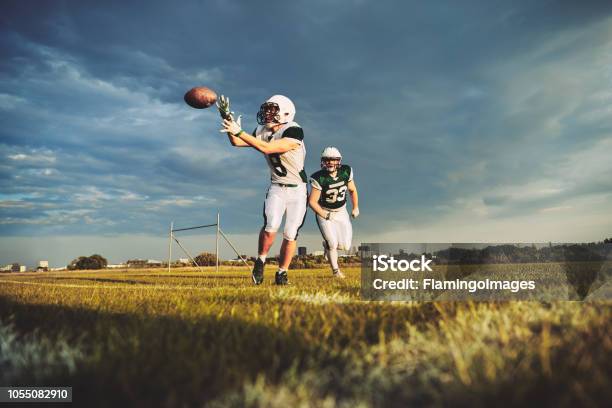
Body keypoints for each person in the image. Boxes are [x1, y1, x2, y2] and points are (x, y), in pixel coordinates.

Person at [219, 95, 307, 285]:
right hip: (277, 187)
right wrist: (228, 120)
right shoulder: (261, 130)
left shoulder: (293, 130)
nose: (267, 113)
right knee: (271, 226)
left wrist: (239, 131)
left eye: (272, 110)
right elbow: (236, 142)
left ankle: (282, 272)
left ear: (285, 113)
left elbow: (267, 148)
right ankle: (260, 261)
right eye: (266, 109)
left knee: (291, 233)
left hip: (298, 190)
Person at [308, 147, 359, 278]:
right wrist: (325, 215)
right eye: (327, 160)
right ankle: (336, 271)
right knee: (333, 243)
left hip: (341, 211)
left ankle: (326, 245)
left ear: (338, 161)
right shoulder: (319, 178)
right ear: (323, 161)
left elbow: (352, 190)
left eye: (333, 160)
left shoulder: (346, 172)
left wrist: (355, 207)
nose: (330, 162)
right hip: (324, 211)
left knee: (345, 246)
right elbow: (312, 201)